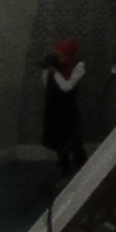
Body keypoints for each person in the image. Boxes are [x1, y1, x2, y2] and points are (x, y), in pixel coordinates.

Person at [41, 37, 86, 176]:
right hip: (55, 110)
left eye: (62, 55)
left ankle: (86, 174)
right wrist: (48, 69)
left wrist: (55, 72)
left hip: (70, 111)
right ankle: (66, 175)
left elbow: (67, 87)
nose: (59, 58)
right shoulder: (53, 68)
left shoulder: (78, 66)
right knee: (60, 145)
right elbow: (46, 84)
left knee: (76, 144)